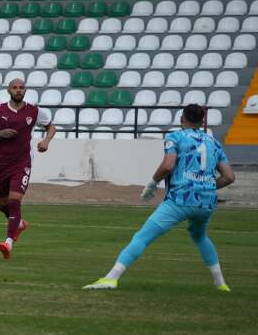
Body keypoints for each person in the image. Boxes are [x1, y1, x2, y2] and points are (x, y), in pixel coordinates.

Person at [85, 104, 234, 291]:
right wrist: (207, 187)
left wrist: (152, 184)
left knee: (142, 237)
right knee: (200, 236)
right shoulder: (214, 143)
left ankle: (111, 278)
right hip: (206, 202)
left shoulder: (175, 137)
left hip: (181, 199)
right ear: (203, 121)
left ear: (182, 118)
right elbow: (229, 177)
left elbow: (168, 165)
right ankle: (221, 284)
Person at [0, 77, 55, 259]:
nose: (18, 90)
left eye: (21, 87)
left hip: (23, 162)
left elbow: (51, 127)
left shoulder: (34, 111)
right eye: (15, 87)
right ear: (8, 90)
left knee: (14, 201)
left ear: (25, 90)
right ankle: (18, 224)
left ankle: (8, 243)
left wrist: (46, 141)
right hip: (2, 163)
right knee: (3, 206)